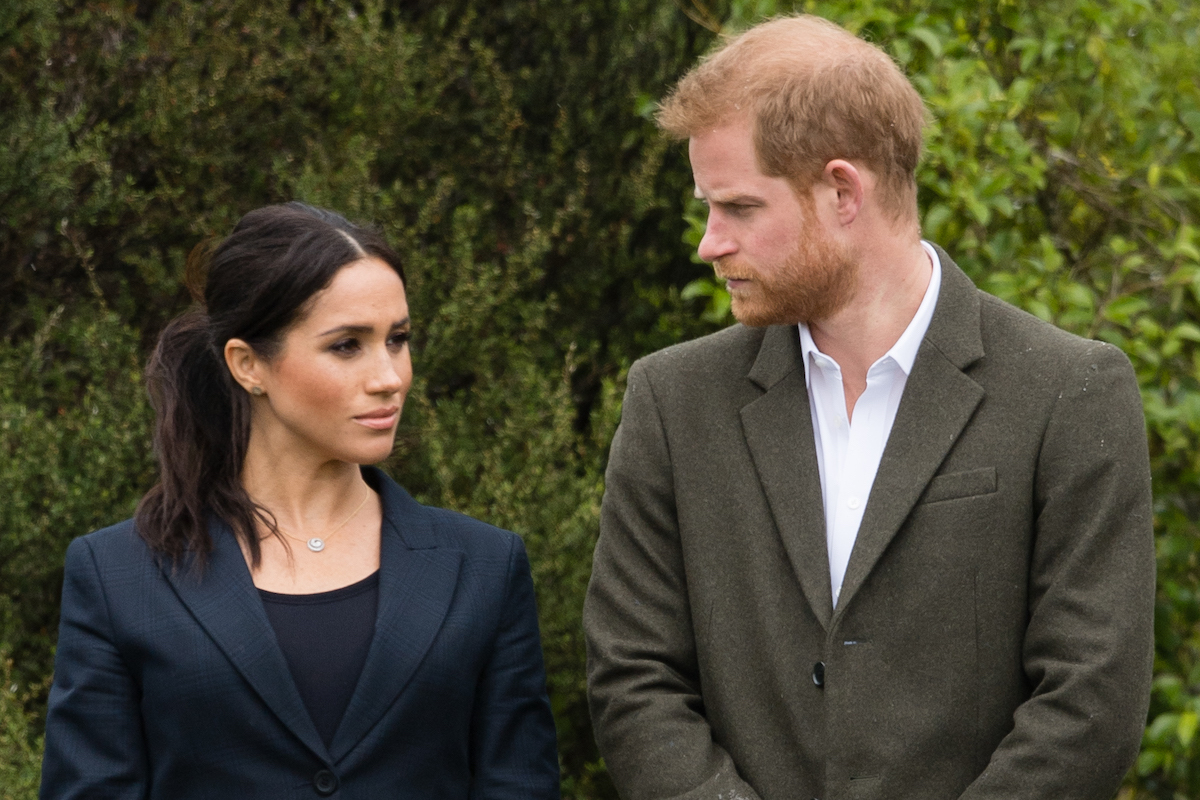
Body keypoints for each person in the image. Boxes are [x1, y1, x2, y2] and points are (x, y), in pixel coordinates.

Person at [584, 15, 1154, 800]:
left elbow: (1092, 701)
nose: (709, 243)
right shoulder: (673, 402)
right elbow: (632, 675)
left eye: (740, 208)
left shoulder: (1068, 391)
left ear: (843, 192)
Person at [40, 203, 560, 799]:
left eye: (399, 339)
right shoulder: (118, 575)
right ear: (248, 364)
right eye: (347, 346)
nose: (388, 376)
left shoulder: (485, 566)